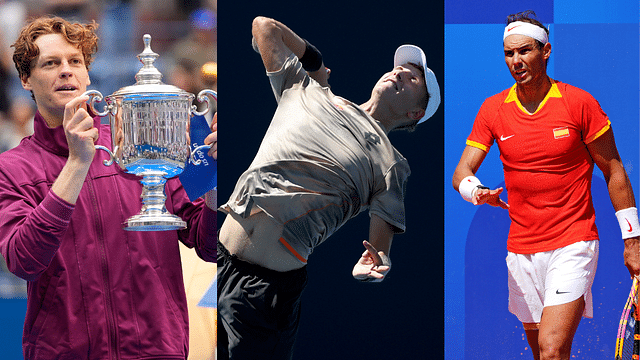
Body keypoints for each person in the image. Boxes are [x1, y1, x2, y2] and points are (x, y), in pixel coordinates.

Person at [217, 16, 441, 360]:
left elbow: (380, 247)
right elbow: (264, 27)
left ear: (415, 112)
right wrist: (314, 61)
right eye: (399, 68)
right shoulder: (307, 90)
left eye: (413, 78)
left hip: (266, 296)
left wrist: (376, 262)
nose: (399, 73)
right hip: (216, 263)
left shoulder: (391, 164)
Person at [0, 16, 217, 359]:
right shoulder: (11, 169)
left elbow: (211, 248)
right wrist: (77, 162)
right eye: (51, 63)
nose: (66, 71)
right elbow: (24, 261)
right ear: (26, 79)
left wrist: (214, 187)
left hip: (156, 350)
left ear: (88, 73)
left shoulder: (138, 142)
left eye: (75, 61)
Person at [452, 10, 640, 360]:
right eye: (509, 53)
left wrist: (633, 240)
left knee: (552, 349)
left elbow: (614, 171)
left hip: (574, 242)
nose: (516, 61)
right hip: (521, 250)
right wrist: (475, 192)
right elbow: (461, 171)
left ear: (546, 50)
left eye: (524, 51)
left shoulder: (580, 104)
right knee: (544, 354)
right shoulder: (493, 110)